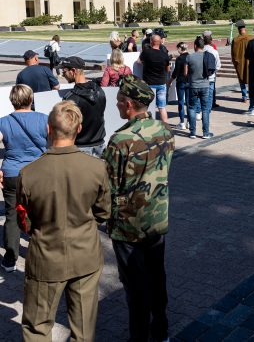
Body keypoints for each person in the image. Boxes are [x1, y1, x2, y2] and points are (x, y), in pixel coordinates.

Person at [17, 100, 110, 341]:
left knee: (37, 326)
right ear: (79, 129)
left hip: (46, 257)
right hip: (86, 256)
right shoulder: (97, 168)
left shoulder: (29, 173)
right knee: (83, 329)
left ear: (48, 129)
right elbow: (103, 212)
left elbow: (24, 222)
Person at [103, 75, 174, 342]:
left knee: (136, 288)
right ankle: (162, 330)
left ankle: (139, 336)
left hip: (127, 225)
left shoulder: (121, 139)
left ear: (130, 104)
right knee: (157, 277)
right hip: (156, 219)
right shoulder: (165, 130)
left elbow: (108, 184)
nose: (118, 106)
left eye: (120, 101)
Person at [0, 85, 48, 273]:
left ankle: (10, 258)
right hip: (39, 173)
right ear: (31, 99)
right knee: (40, 213)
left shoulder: (3, 122)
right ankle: (41, 255)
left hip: (12, 173)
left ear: (12, 101)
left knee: (12, 214)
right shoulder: (44, 119)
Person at [61, 56, 107, 157]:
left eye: (64, 71)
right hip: (101, 146)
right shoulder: (100, 91)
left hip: (81, 149)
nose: (62, 74)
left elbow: (67, 129)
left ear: (73, 71)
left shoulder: (71, 99)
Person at [139, 34, 171, 123]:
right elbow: (168, 69)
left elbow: (139, 61)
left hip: (149, 84)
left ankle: (146, 128)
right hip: (161, 83)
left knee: (146, 107)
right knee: (162, 107)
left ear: (151, 42)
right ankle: (166, 128)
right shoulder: (164, 55)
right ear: (160, 42)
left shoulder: (146, 52)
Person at [185, 36, 211, 139]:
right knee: (205, 109)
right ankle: (206, 133)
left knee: (191, 108)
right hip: (205, 85)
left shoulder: (189, 57)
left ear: (195, 45)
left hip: (193, 85)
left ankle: (192, 132)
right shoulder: (207, 56)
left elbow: (185, 73)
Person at [167, 42, 190, 129]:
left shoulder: (179, 59)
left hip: (181, 81)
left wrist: (170, 81)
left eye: (178, 48)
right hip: (189, 81)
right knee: (188, 102)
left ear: (180, 48)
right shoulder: (190, 57)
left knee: (181, 102)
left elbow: (175, 72)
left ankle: (182, 122)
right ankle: (189, 122)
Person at [231, 20, 253, 102]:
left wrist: (235, 62)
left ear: (238, 30)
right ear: (245, 28)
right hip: (250, 62)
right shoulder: (251, 38)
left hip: (240, 63)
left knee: (241, 79)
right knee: (251, 79)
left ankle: (244, 96)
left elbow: (233, 54)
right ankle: (252, 95)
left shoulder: (235, 40)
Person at [204, 34, 221, 113]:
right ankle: (208, 110)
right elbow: (218, 65)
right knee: (210, 95)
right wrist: (213, 71)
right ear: (211, 41)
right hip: (211, 76)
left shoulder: (201, 50)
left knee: (202, 95)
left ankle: (201, 110)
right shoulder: (214, 52)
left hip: (201, 77)